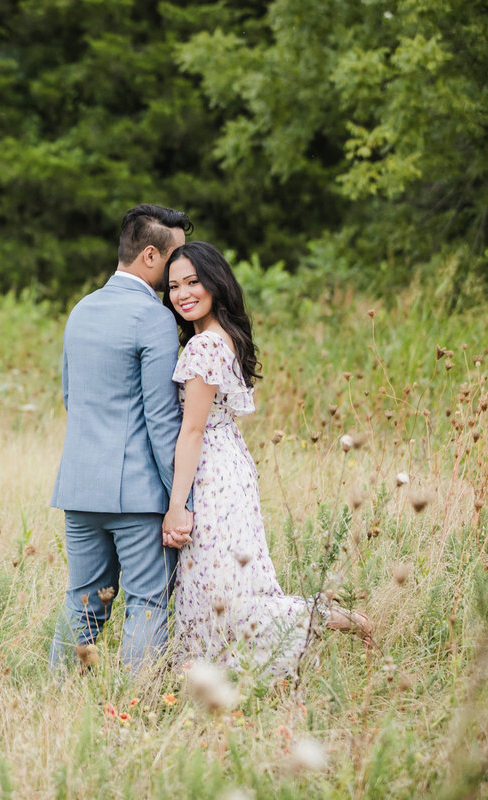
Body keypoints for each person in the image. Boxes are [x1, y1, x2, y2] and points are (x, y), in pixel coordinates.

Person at [160, 241, 371, 678]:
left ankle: (335, 620)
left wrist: (177, 506)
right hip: (231, 466)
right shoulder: (223, 337)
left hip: (211, 473)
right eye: (174, 285)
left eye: (193, 282)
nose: (182, 294)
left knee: (220, 591)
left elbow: (193, 429)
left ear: (215, 283)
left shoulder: (202, 348)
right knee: (227, 585)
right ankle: (223, 677)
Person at [49, 203, 194, 671]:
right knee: (148, 602)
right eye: (176, 260)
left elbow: (72, 397)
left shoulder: (80, 310)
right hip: (136, 494)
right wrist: (181, 497)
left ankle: (58, 699)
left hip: (79, 487)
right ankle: (135, 708)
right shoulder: (151, 317)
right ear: (151, 255)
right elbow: (161, 418)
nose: (181, 272)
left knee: (83, 602)